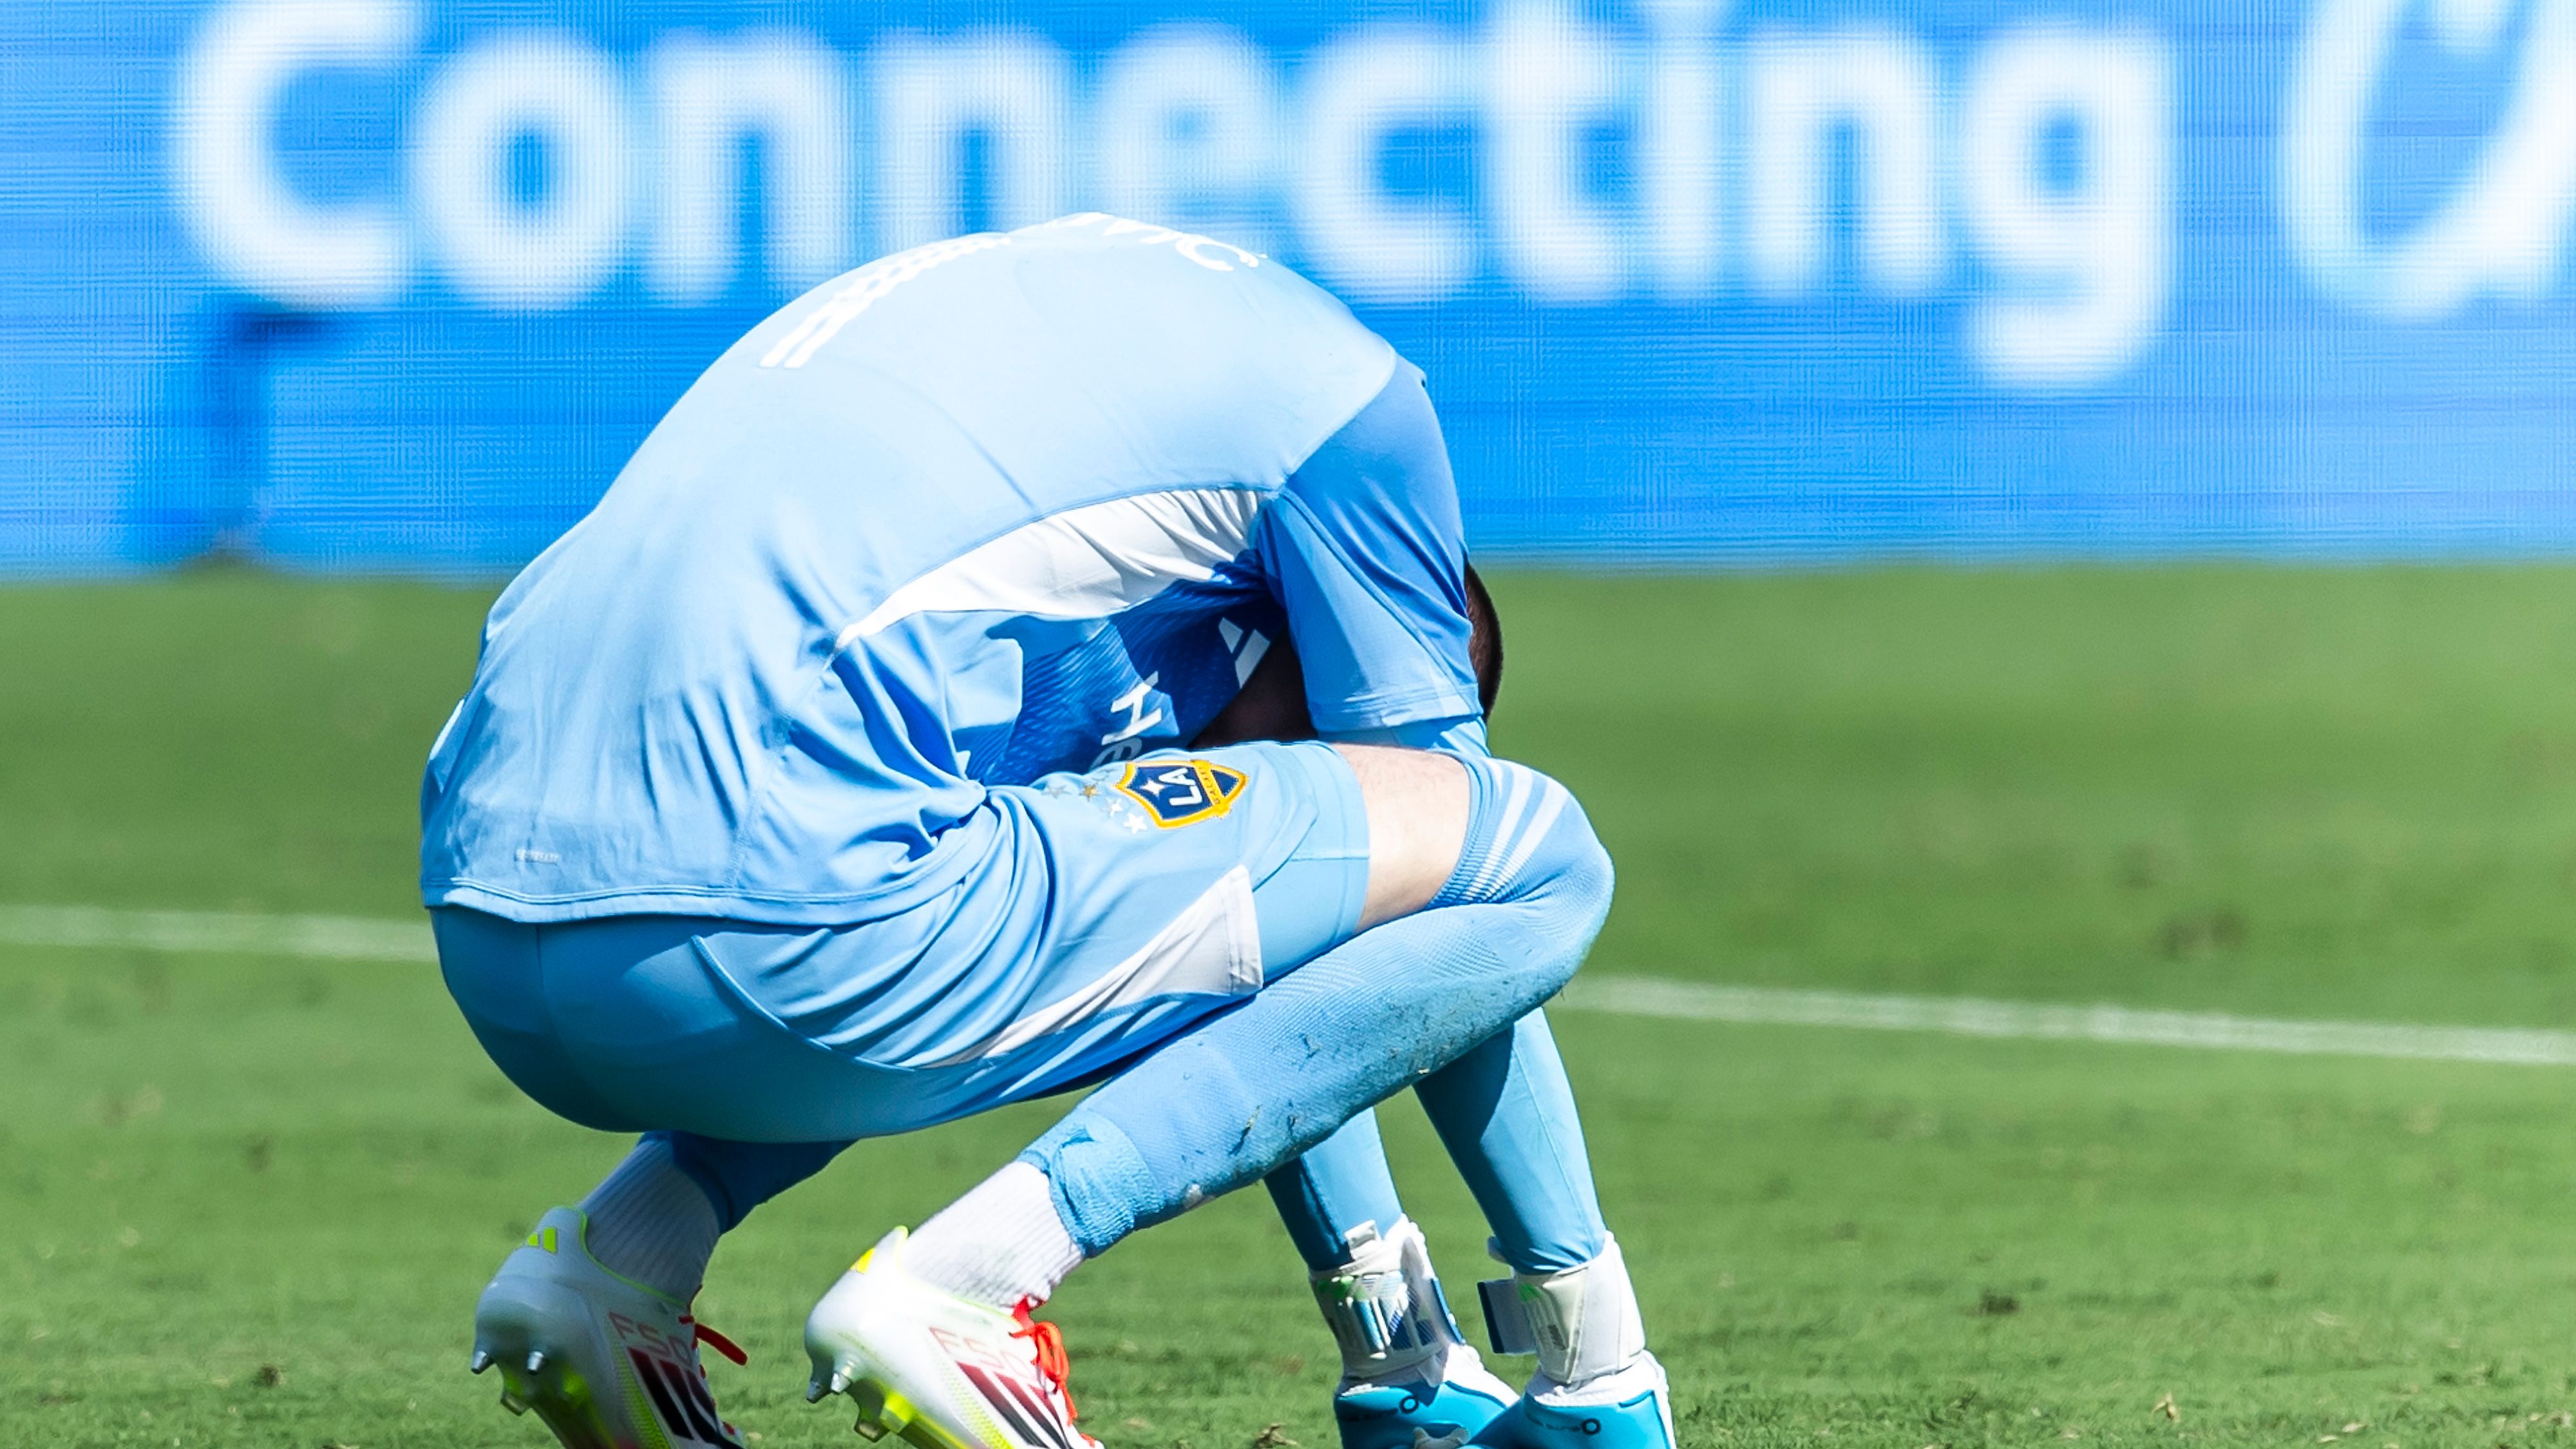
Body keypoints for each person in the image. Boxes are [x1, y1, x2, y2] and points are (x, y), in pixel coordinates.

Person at [422, 213, 1672, 1449]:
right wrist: (1581, 1347)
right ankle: (977, 1289)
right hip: (778, 935)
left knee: (1037, 880)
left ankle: (621, 1262)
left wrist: (1393, 1350)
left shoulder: (1092, 407)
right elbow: (1435, 867)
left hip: (498, 936)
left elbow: (1240, 928)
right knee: (1532, 854)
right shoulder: (1361, 412)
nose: (1297, 766)